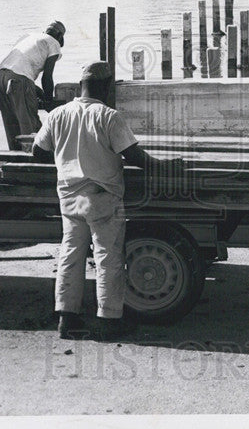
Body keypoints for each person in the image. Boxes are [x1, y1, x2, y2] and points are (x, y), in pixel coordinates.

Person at [32, 60, 182, 340]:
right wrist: (166, 167)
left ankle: (67, 319)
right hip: (101, 199)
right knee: (107, 258)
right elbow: (135, 157)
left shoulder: (57, 115)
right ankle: (109, 321)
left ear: (81, 85)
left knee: (70, 256)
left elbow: (37, 151)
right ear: (106, 86)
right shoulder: (108, 117)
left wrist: (65, 155)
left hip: (70, 197)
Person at [0, 21, 65, 150]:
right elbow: (47, 77)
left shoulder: (29, 37)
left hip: (1, 76)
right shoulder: (53, 42)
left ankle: (14, 161)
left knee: (12, 126)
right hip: (18, 80)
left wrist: (41, 94)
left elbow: (20, 73)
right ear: (60, 36)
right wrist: (49, 100)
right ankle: (33, 162)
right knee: (29, 127)